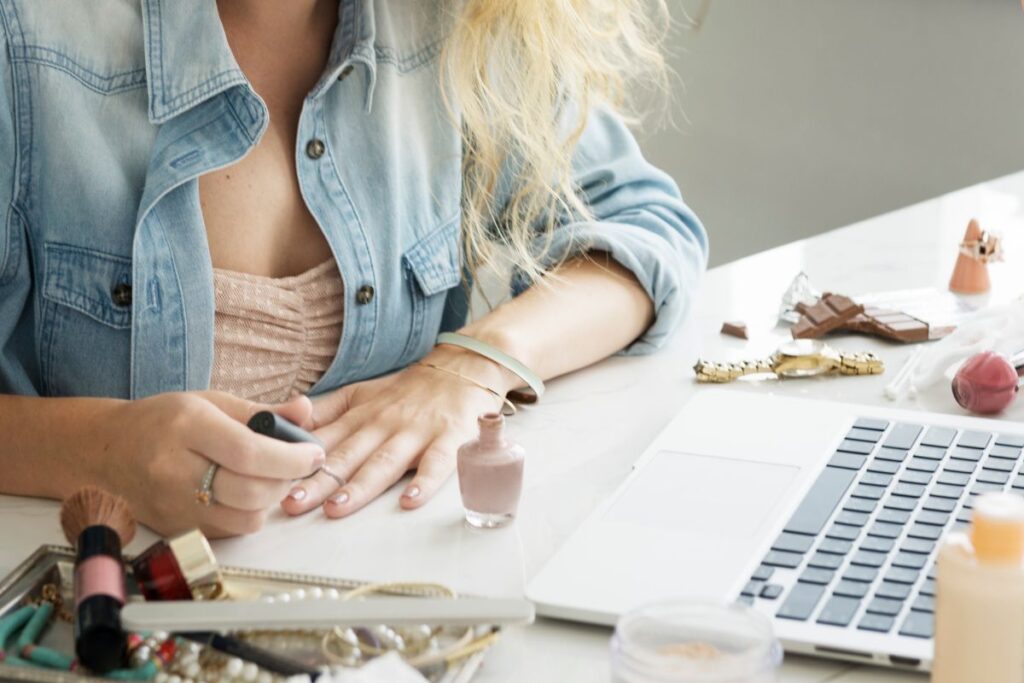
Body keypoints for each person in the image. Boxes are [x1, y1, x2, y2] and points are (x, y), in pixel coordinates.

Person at [0, 0, 707, 537]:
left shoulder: (463, 20)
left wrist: (474, 362)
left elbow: (646, 228)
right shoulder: (24, 38)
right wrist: (98, 452)